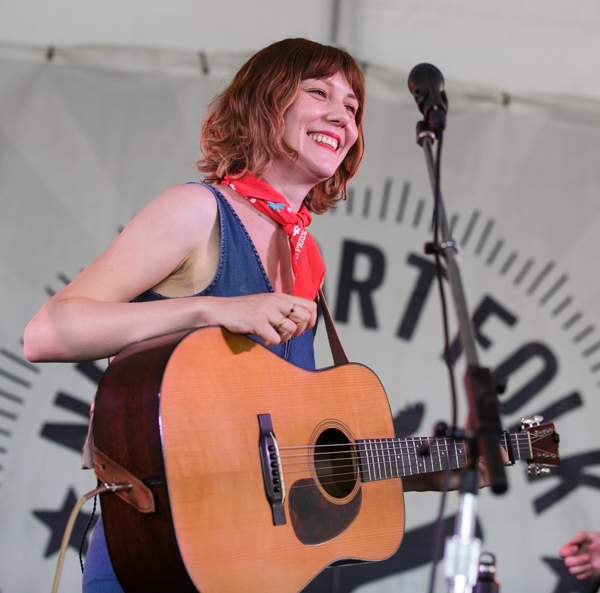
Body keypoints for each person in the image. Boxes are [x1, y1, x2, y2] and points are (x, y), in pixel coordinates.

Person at [24, 38, 496, 593]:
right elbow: (47, 332)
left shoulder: (308, 259)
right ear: (264, 102)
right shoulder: (198, 211)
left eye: (352, 107)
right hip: (164, 557)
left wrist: (422, 467)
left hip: (268, 567)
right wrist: (212, 308)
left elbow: (279, 450)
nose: (341, 116)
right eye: (319, 92)